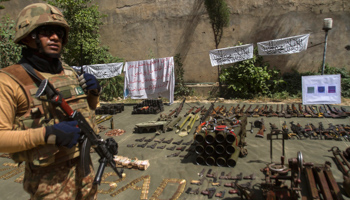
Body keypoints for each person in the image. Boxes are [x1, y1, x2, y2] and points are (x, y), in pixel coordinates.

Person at [0, 3, 100, 199]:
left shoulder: (70, 73)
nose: (55, 37)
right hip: (50, 184)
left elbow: (87, 110)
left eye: (59, 33)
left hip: (86, 174)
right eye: (46, 32)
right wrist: (46, 134)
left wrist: (94, 94)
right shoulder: (9, 80)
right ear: (28, 36)